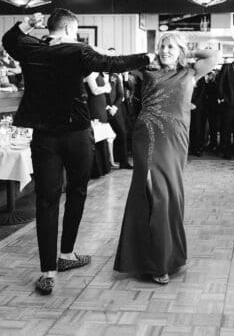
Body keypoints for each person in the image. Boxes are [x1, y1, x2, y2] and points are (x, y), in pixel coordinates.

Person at [2, 9, 153, 294]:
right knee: (77, 191)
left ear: (50, 28)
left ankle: (48, 271)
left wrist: (27, 23)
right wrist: (146, 58)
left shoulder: (30, 47)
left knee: (46, 200)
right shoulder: (78, 51)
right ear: (71, 28)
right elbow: (113, 62)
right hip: (76, 134)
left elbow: (9, 39)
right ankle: (67, 254)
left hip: (44, 136)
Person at [114, 32, 219, 284]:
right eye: (162, 46)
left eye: (170, 46)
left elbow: (213, 54)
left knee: (170, 193)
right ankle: (157, 262)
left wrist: (185, 53)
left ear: (180, 49)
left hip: (176, 138)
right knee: (154, 192)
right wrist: (147, 56)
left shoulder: (191, 72)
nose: (165, 50)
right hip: (148, 135)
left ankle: (166, 255)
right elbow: (120, 62)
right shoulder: (147, 70)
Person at [105, 49, 132, 168]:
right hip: (105, 108)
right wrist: (108, 106)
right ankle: (111, 161)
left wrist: (114, 107)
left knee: (122, 133)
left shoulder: (116, 75)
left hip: (117, 108)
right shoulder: (103, 73)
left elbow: (121, 93)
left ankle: (123, 161)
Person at [85, 71, 113, 178]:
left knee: (103, 137)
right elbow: (95, 91)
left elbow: (108, 89)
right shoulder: (90, 74)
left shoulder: (99, 74)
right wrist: (105, 88)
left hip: (101, 106)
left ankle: (105, 168)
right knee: (97, 137)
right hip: (94, 106)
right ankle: (97, 171)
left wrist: (106, 88)